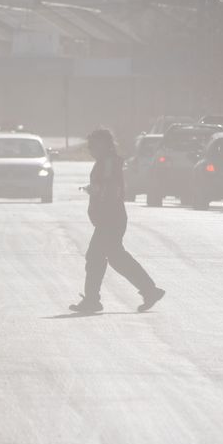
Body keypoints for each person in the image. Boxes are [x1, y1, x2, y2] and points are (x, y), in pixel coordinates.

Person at [70, 129, 165, 313]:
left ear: (105, 145)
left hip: (110, 217)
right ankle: (149, 291)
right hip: (110, 216)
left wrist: (96, 191)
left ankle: (92, 300)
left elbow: (111, 186)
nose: (91, 149)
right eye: (90, 146)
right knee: (114, 257)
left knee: (97, 256)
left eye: (94, 145)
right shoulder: (106, 161)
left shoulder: (108, 162)